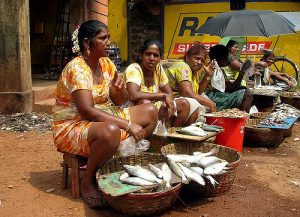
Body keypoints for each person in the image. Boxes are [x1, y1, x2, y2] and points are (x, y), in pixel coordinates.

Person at [52, 20, 158, 208]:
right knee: (111, 131)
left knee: (150, 112)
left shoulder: (106, 63)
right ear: (87, 43)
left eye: (108, 37)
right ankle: (88, 180)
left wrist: (118, 91)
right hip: (73, 124)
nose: (109, 42)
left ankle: (115, 159)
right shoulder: (76, 68)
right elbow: (87, 111)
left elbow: (120, 101)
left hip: (103, 115)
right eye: (103, 38)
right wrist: (127, 125)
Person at [124, 39, 197, 126]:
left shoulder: (158, 68)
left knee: (184, 104)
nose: (151, 58)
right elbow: (133, 95)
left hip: (153, 105)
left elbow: (169, 92)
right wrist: (160, 96)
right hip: (134, 110)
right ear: (141, 56)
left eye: (156, 55)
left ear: (159, 59)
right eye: (148, 54)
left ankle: (171, 134)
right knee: (145, 103)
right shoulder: (134, 69)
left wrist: (164, 104)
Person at [165, 43, 217, 116]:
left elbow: (198, 92)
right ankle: (177, 127)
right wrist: (210, 103)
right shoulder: (183, 66)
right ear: (187, 57)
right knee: (196, 104)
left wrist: (208, 75)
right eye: (196, 58)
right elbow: (187, 93)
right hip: (168, 101)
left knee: (204, 101)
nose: (199, 62)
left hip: (179, 101)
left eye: (202, 60)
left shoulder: (193, 71)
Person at [206, 44, 253, 112]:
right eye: (226, 57)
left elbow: (231, 86)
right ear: (220, 58)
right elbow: (231, 88)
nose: (228, 61)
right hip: (210, 97)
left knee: (244, 89)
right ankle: (243, 119)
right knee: (247, 94)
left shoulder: (218, 69)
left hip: (215, 94)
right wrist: (242, 72)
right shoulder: (213, 68)